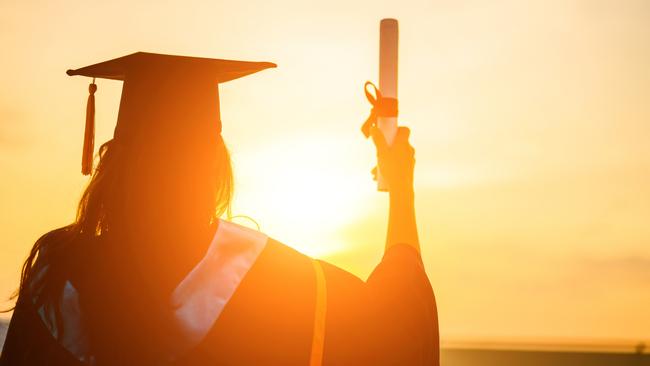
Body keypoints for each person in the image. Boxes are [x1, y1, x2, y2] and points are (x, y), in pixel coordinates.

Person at [0, 52, 439, 365]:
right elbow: (399, 325)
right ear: (214, 165)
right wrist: (401, 187)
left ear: (113, 163)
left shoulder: (54, 289)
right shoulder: (291, 290)